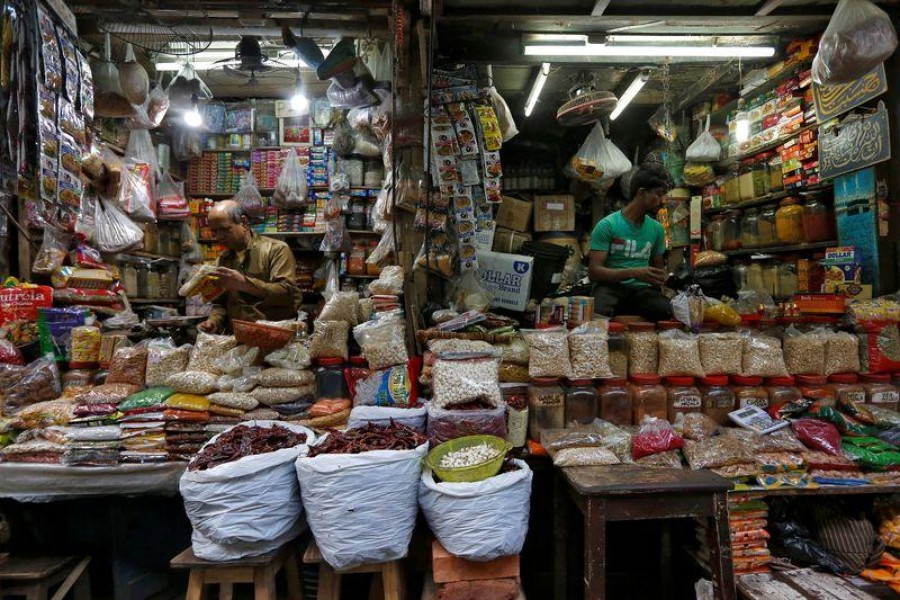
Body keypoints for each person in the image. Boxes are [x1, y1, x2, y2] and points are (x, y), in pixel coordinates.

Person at [198, 200, 300, 333]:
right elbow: (221, 304)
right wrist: (213, 322)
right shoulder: (223, 260)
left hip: (274, 338)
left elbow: (287, 293)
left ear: (244, 222)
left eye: (224, 229)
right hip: (238, 341)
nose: (219, 237)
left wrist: (244, 284)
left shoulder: (276, 249)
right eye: (215, 231)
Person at [588, 163, 673, 322]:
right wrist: (633, 272)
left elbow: (657, 271)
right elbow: (594, 272)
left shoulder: (657, 229)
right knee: (598, 314)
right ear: (641, 192)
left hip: (642, 291)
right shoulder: (608, 225)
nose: (663, 201)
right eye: (659, 194)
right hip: (611, 288)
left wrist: (665, 281)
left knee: (667, 312)